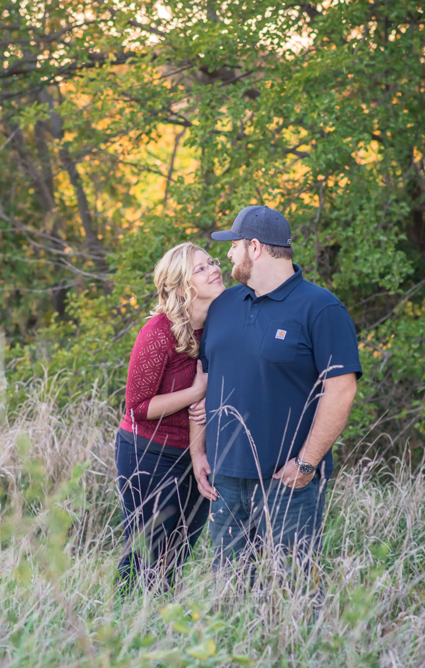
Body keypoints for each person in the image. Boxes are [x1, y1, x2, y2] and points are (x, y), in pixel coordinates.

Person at [189, 205, 362, 581]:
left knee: (294, 588)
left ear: (254, 248)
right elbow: (205, 382)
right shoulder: (223, 306)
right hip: (225, 480)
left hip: (287, 481)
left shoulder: (321, 308)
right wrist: (198, 451)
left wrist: (306, 463)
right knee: (231, 591)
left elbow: (342, 390)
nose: (228, 255)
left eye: (233, 246)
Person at [115, 241, 225, 592]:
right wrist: (195, 393)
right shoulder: (159, 332)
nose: (214, 269)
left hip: (196, 455)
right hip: (148, 453)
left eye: (212, 262)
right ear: (180, 287)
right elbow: (137, 407)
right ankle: (122, 613)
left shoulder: (221, 326)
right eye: (201, 268)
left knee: (177, 555)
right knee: (145, 553)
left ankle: (159, 618)